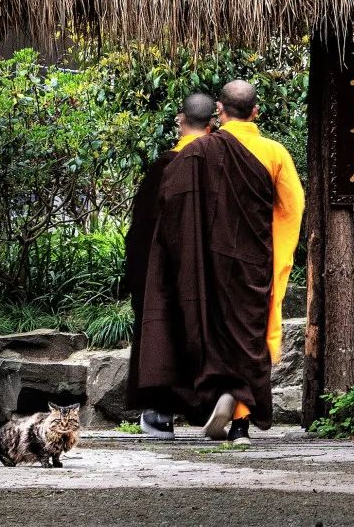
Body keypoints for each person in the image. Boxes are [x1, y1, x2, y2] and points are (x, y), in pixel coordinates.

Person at [137, 80, 305, 446]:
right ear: (256, 112)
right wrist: (279, 256)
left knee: (214, 335)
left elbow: (172, 200)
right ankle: (240, 425)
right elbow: (293, 209)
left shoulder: (198, 150)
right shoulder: (275, 153)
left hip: (210, 264)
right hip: (253, 265)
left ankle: (218, 397)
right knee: (249, 338)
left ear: (220, 112)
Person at [124, 93, 216, 439]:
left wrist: (138, 275)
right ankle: (221, 408)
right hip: (208, 273)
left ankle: (159, 413)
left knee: (161, 331)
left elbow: (142, 229)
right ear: (213, 124)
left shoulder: (164, 166)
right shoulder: (221, 165)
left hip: (160, 271)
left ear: (180, 120)